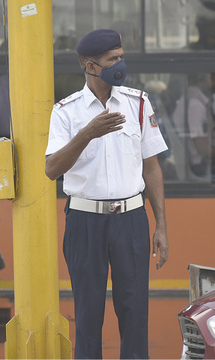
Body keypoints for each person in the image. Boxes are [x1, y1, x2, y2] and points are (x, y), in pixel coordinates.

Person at [45, 29, 169, 359]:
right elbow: (51, 168)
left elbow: (152, 167)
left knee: (134, 313)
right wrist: (87, 134)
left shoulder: (138, 103)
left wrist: (161, 226)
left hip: (131, 220)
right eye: (112, 59)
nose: (120, 64)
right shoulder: (66, 112)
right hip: (85, 222)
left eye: (121, 56)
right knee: (88, 316)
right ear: (90, 66)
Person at [172, 73, 214, 178]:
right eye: (214, 76)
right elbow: (201, 147)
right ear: (203, 79)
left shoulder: (189, 98)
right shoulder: (195, 105)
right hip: (199, 165)